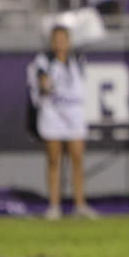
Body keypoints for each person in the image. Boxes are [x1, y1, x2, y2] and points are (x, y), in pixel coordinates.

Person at [30, 25, 97, 221]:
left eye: (63, 39)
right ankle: (54, 205)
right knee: (54, 159)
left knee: (77, 159)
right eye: (56, 39)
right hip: (53, 114)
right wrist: (47, 85)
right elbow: (42, 81)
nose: (60, 43)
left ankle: (80, 204)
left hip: (73, 115)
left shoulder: (77, 60)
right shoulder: (44, 60)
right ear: (52, 42)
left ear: (69, 41)